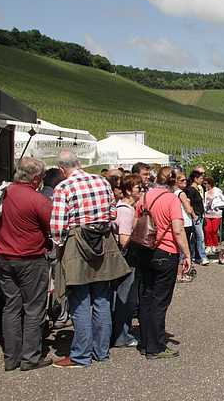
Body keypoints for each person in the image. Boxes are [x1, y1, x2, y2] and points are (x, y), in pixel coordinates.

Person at [50, 150, 130, 368]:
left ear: (61, 169)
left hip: (77, 243)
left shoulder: (63, 187)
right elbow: (112, 214)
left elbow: (58, 226)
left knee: (80, 301)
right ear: (79, 163)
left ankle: (81, 355)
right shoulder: (102, 181)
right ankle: (101, 352)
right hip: (103, 241)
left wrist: (59, 247)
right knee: (102, 299)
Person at [0, 157, 53, 371]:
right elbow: (52, 226)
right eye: (42, 176)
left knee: (11, 307)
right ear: (36, 178)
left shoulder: (3, 193)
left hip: (4, 256)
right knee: (34, 309)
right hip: (30, 258)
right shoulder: (38, 199)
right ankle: (30, 358)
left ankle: (11, 358)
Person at [136, 166, 193, 360]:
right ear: (173, 181)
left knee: (146, 297)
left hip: (144, 249)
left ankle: (145, 341)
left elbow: (137, 220)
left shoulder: (145, 196)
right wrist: (187, 254)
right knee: (160, 300)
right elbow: (178, 230)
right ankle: (156, 346)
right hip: (166, 250)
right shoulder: (171, 199)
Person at [111, 174, 142, 349]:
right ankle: (121, 335)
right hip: (126, 258)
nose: (141, 190)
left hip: (122, 257)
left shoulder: (123, 208)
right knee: (125, 297)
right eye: (138, 188)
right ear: (129, 190)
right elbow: (124, 239)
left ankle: (120, 333)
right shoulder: (125, 210)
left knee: (122, 296)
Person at [185, 170, 208, 266]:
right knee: (200, 236)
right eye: (201, 178)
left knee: (195, 237)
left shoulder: (198, 189)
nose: (202, 180)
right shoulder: (190, 190)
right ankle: (202, 257)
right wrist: (194, 215)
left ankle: (195, 255)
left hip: (200, 215)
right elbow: (188, 203)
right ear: (195, 179)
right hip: (196, 216)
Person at [202, 176, 223, 254]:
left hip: (216, 213)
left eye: (206, 183)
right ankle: (208, 245)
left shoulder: (217, 190)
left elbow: (221, 200)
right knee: (207, 230)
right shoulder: (205, 192)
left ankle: (214, 245)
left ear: (210, 183)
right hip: (207, 213)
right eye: (204, 183)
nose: (205, 185)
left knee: (214, 230)